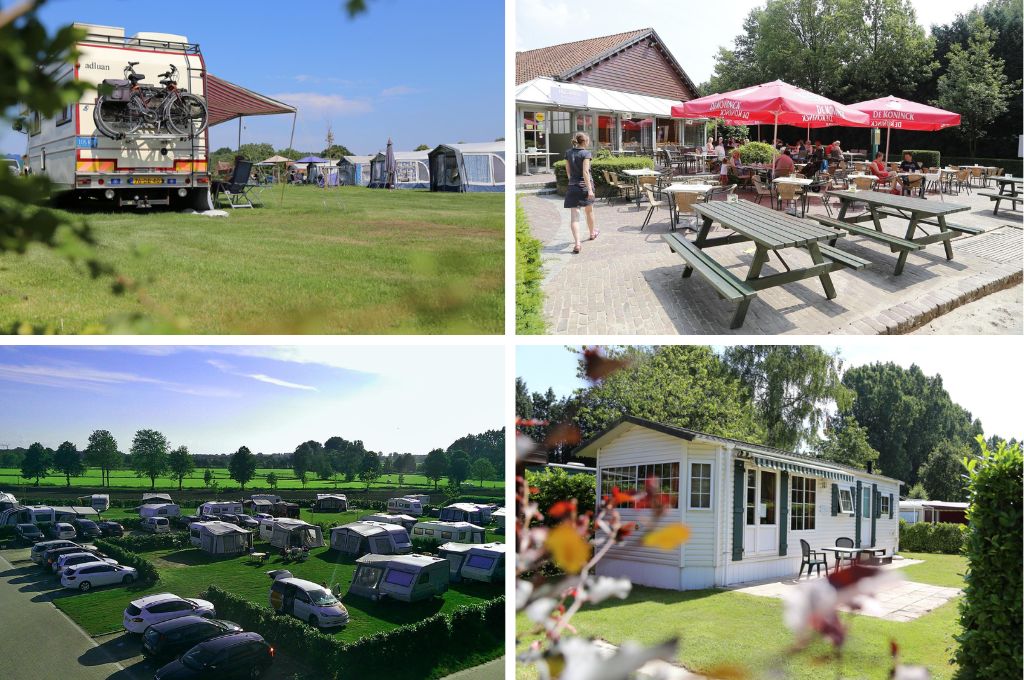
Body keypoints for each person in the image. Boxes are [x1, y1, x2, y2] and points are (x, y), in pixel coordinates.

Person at [563, 132, 598, 254]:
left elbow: (567, 170)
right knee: (589, 212)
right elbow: (586, 172)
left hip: (572, 186)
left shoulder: (568, 153)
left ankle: (577, 243)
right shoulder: (586, 153)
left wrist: (572, 181)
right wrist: (589, 189)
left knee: (574, 217)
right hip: (584, 187)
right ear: (585, 142)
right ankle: (592, 233)